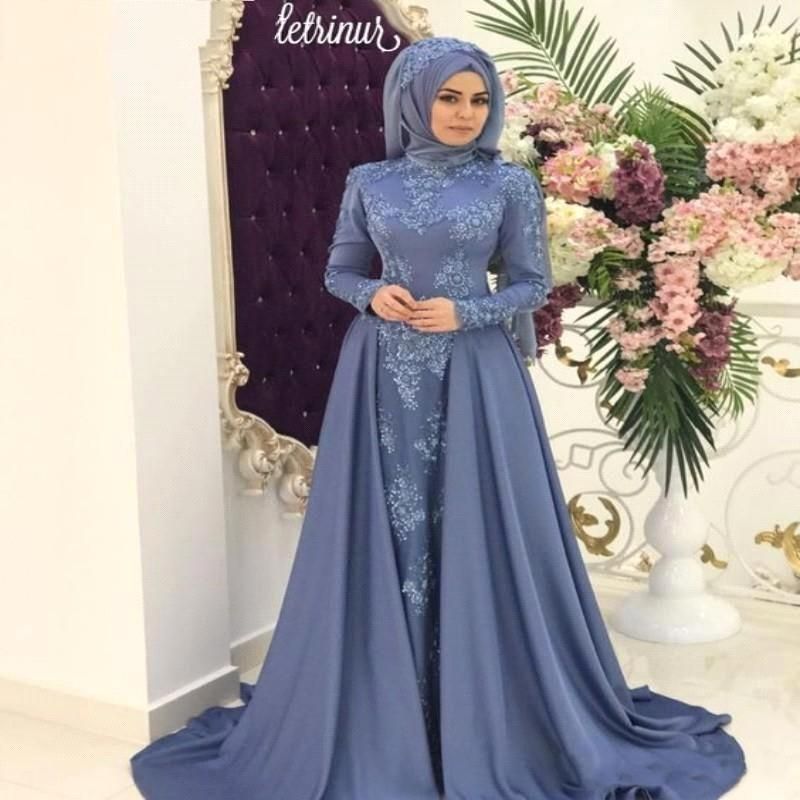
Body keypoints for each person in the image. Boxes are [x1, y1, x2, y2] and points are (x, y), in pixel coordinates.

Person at [129, 36, 747, 799]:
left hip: (476, 374)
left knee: (477, 519)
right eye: (449, 97)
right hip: (382, 373)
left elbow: (530, 285)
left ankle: (488, 711)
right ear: (413, 101)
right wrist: (371, 294)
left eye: (479, 99)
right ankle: (385, 708)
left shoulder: (509, 184)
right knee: (389, 523)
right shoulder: (369, 181)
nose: (465, 113)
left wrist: (468, 310)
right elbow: (338, 269)